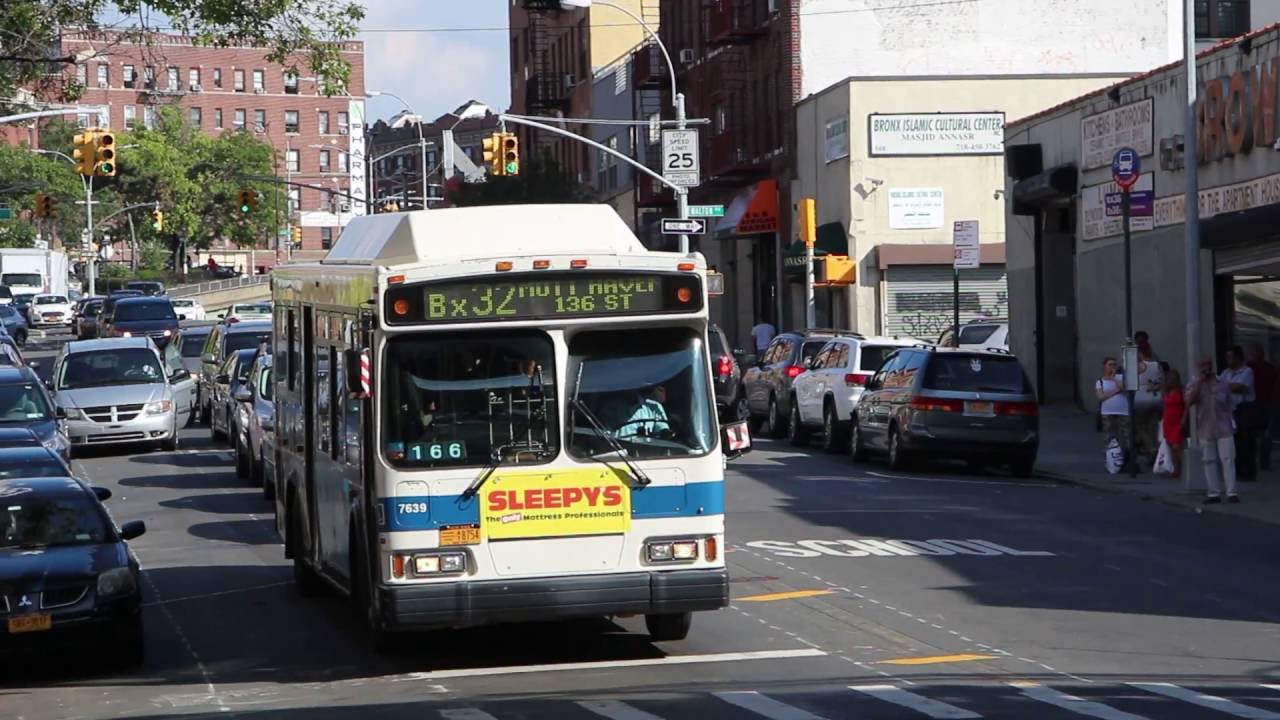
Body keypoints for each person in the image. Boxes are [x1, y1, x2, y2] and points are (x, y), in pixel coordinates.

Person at [1187, 357, 1240, 504]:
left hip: (1224, 427)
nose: (1206, 368)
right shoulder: (1195, 383)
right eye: (1203, 366)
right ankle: (1213, 493)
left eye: (1208, 365)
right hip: (1205, 427)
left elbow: (1230, 406)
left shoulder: (1223, 384)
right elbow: (1189, 401)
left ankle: (1231, 492)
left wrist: (1233, 423)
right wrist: (1199, 382)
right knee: (1209, 460)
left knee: (1228, 458)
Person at [1221, 346, 1258, 481]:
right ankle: (1238, 470)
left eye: (1230, 357)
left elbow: (1238, 387)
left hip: (1245, 408)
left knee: (1246, 440)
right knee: (1234, 440)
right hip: (1230, 409)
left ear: (1238, 357)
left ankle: (1249, 471)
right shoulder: (1226, 372)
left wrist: (1225, 386)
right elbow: (1220, 387)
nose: (1228, 360)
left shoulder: (1247, 371)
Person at [1246, 344, 1276, 471]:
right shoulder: (1251, 368)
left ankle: (1261, 461)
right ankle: (1262, 461)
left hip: (1261, 403)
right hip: (1258, 403)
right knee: (1262, 434)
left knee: (1261, 434)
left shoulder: (1250, 368)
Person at [1096, 357, 1130, 460]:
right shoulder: (1100, 382)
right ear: (1104, 367)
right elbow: (1101, 396)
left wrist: (1115, 378)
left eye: (1114, 364)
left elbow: (1124, 389)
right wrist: (1116, 390)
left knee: (1125, 435)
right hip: (1107, 411)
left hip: (1123, 411)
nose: (1112, 366)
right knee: (1109, 435)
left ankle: (1126, 456)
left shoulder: (1120, 378)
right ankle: (1110, 457)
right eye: (1110, 364)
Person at [1160, 363, 1186, 479]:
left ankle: (1185, 468)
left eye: (1173, 378)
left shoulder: (1181, 391)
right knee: (1171, 446)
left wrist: (1184, 418)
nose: (1171, 380)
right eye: (1169, 378)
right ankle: (1177, 469)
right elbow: (1164, 406)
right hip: (1168, 421)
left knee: (1177, 446)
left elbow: (1186, 406)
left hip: (1177, 421)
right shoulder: (1166, 391)